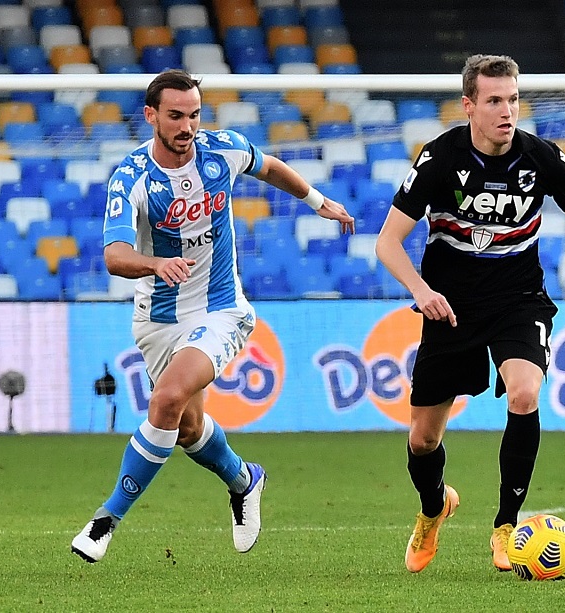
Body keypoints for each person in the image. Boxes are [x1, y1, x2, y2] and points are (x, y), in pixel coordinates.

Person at [71, 70, 354, 563]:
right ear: (151, 116)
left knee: (167, 398)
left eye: (195, 115)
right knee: (185, 428)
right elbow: (115, 255)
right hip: (158, 317)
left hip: (220, 308)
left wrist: (317, 200)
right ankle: (245, 480)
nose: (188, 126)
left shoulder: (221, 149)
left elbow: (268, 166)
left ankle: (106, 520)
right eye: (176, 116)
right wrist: (156, 262)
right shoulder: (132, 176)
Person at [375, 54, 565, 574]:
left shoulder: (543, 158)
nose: (507, 110)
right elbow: (387, 243)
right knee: (423, 439)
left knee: (524, 392)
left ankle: (506, 527)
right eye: (495, 100)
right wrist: (421, 288)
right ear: (469, 105)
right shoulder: (437, 159)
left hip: (519, 301)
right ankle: (434, 507)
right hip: (450, 308)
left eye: (513, 99)